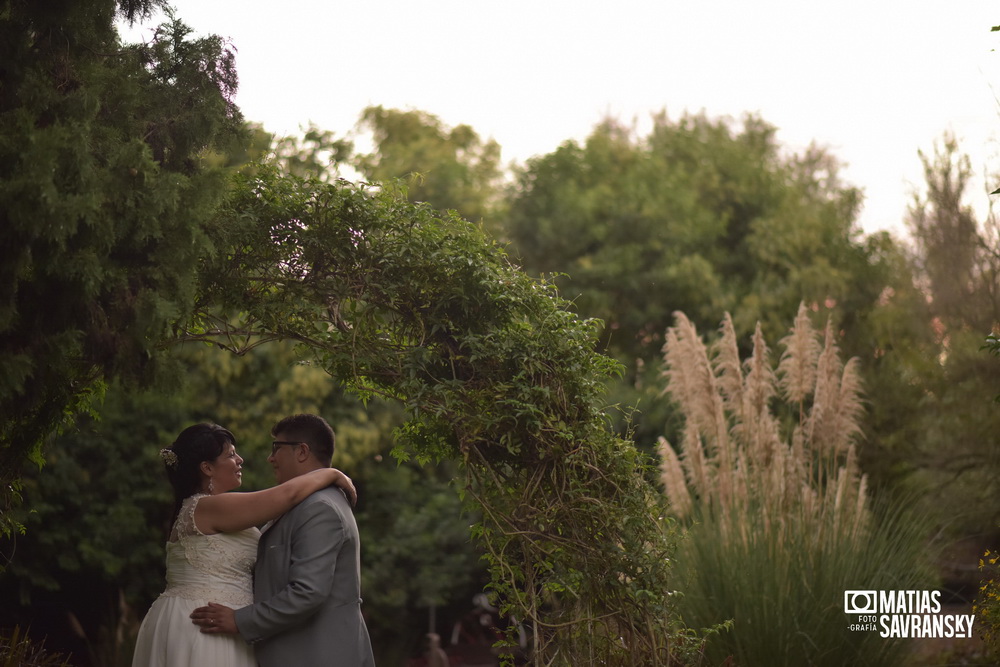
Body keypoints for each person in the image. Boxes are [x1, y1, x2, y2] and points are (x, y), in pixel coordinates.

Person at [131, 422, 357, 667]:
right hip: (205, 624)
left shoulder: (211, 508)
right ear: (207, 468)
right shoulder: (209, 507)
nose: (240, 460)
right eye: (230, 455)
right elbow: (287, 495)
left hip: (218, 622)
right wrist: (332, 474)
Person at [190, 413, 375, 666]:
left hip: (317, 655)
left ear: (301, 451)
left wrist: (240, 620)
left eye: (276, 448)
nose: (271, 458)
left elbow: (308, 592)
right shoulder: (302, 504)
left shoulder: (319, 508)